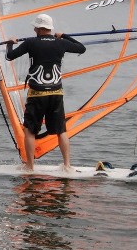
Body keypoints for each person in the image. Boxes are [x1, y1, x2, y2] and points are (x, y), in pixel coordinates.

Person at [5, 13, 86, 171]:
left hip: (37, 94)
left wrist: (10, 43)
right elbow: (81, 48)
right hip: (56, 94)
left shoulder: (30, 43)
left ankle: (30, 166)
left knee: (30, 130)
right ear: (49, 28)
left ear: (40, 29)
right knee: (61, 130)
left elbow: (9, 56)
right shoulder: (60, 43)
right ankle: (67, 165)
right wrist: (65, 36)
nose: (34, 29)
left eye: (35, 27)